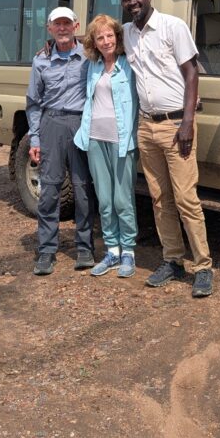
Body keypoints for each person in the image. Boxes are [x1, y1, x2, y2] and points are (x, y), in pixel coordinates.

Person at [118, 0, 213, 297]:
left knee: (186, 198)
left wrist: (188, 122)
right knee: (160, 199)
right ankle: (172, 260)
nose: (132, 3)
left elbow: (192, 73)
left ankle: (203, 266)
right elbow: (96, 39)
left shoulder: (173, 27)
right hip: (146, 127)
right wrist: (54, 44)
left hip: (176, 126)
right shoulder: (127, 33)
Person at [25, 6, 96, 275]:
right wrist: (35, 138)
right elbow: (33, 103)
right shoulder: (40, 61)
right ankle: (46, 250)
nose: (63, 28)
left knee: (83, 190)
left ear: (76, 26)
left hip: (80, 124)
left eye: (67, 23)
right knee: (50, 190)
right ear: (50, 28)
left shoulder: (89, 56)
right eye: (58, 24)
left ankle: (85, 248)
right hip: (51, 123)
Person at [72, 14, 139, 278]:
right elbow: (69, 41)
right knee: (105, 199)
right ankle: (112, 251)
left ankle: (128, 252)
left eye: (110, 35)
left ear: (117, 38)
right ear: (94, 42)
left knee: (123, 199)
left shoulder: (129, 64)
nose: (106, 41)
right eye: (100, 37)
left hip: (122, 141)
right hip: (95, 139)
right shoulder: (93, 65)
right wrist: (49, 43)